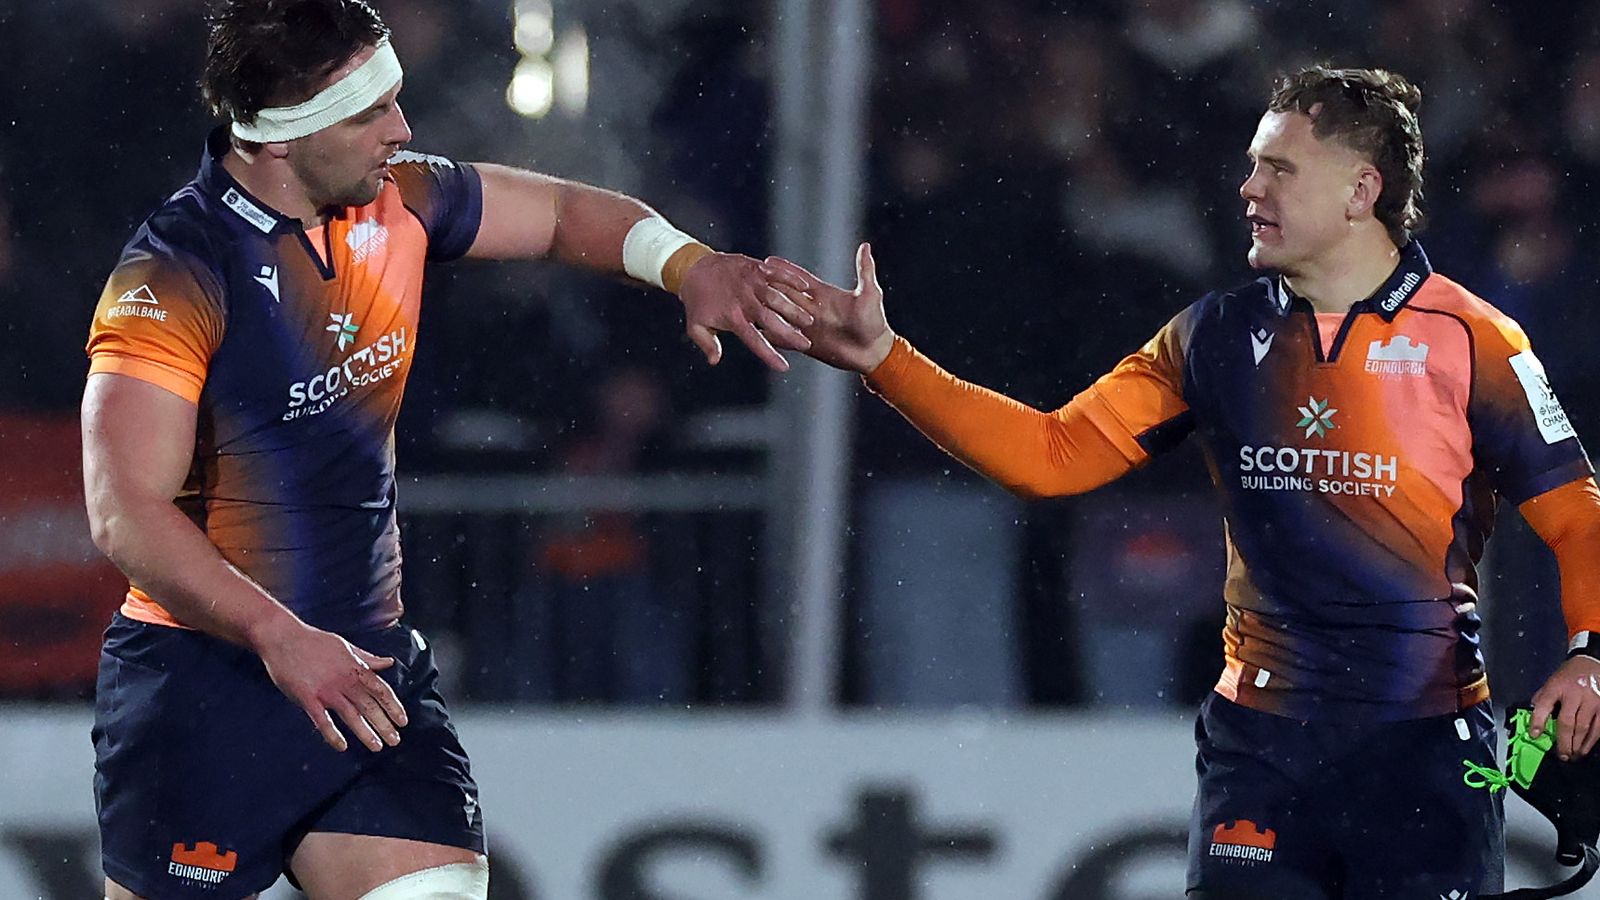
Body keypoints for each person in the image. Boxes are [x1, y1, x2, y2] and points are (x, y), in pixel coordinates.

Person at [773, 66, 1600, 898]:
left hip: (1422, 749)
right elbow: (1051, 456)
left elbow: (1577, 515)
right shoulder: (1211, 337)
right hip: (1262, 749)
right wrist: (886, 360)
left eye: (1279, 168)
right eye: (1252, 165)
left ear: (1362, 189)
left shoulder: (1475, 340)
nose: (1249, 187)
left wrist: (1589, 654)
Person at [80, 2, 813, 898]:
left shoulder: (403, 199)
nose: (403, 129)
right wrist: (280, 635)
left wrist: (692, 265)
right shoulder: (175, 272)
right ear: (281, 134)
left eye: (395, 99)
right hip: (206, 687)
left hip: (370, 674)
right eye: (369, 113)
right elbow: (124, 511)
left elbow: (558, 214)